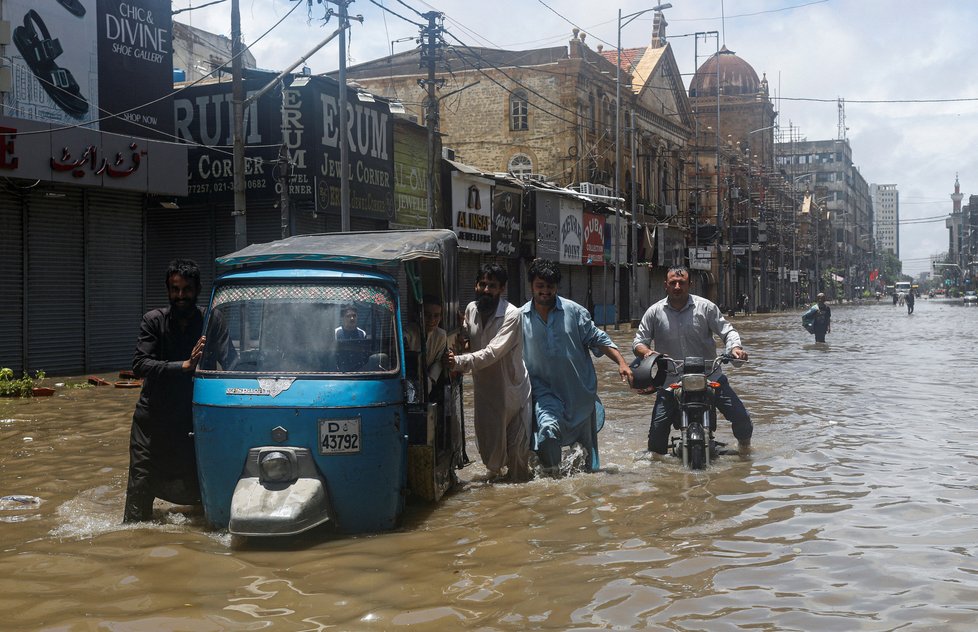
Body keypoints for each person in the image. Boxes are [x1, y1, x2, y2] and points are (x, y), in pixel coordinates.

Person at [123, 259, 234, 523]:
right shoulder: (153, 321)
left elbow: (231, 363)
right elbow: (140, 365)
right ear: (168, 290)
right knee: (141, 483)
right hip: (153, 417)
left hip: (192, 415)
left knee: (202, 484)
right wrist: (183, 365)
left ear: (197, 290)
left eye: (186, 289)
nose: (180, 296)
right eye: (175, 290)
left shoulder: (211, 321)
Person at [520, 258, 632, 477]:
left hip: (578, 392)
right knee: (547, 432)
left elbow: (598, 339)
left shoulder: (574, 312)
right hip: (544, 392)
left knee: (587, 461)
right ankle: (553, 480)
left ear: (557, 287)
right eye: (540, 286)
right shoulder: (519, 317)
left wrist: (622, 362)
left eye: (550, 286)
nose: (545, 291)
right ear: (531, 286)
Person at [633, 265, 753, 457]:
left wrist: (735, 349)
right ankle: (657, 465)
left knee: (742, 419)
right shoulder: (654, 312)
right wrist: (647, 352)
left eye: (682, 283)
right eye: (673, 283)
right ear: (666, 285)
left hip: (709, 375)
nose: (677, 286)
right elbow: (639, 341)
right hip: (671, 380)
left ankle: (745, 450)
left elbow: (727, 331)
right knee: (657, 433)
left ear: (690, 284)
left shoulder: (706, 307)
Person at [448, 264, 532, 482]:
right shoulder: (471, 310)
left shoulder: (513, 315)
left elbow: (492, 352)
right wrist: (459, 339)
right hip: (485, 392)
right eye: (482, 284)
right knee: (490, 456)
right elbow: (469, 340)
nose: (486, 290)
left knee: (516, 459)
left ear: (502, 288)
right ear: (475, 285)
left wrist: (457, 362)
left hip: (513, 392)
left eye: (492, 286)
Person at [404, 294, 448, 398]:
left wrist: (431, 378)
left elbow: (439, 361)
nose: (431, 319)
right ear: (419, 315)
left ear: (440, 317)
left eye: (436, 315)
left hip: (426, 377)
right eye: (427, 315)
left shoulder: (441, 335)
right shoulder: (410, 331)